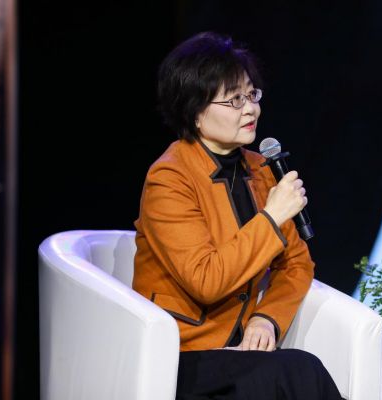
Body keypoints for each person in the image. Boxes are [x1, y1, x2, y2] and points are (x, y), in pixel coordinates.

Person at [132, 32, 343, 400]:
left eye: (251, 95)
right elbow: (207, 280)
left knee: (288, 372)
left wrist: (267, 318)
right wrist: (272, 218)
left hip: (241, 354)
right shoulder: (170, 178)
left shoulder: (260, 169)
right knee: (294, 371)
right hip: (183, 354)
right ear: (195, 112)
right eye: (234, 100)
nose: (250, 109)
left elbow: (296, 264)